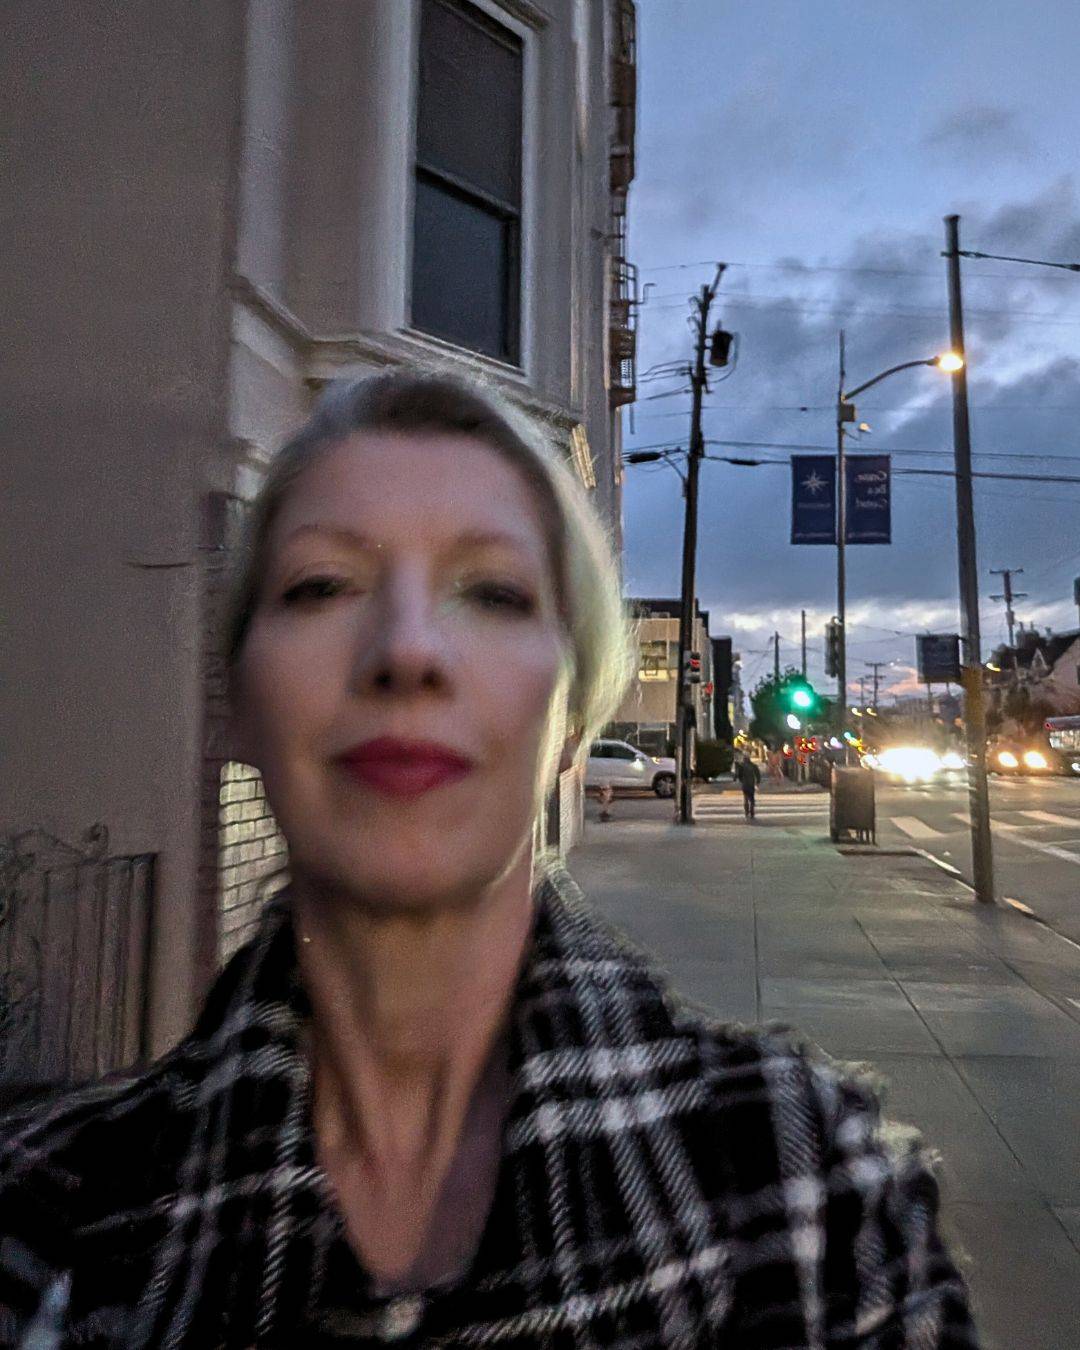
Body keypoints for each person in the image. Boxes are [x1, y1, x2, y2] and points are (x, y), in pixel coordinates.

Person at [0, 370, 977, 1347]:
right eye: (322, 585)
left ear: (570, 719)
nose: (407, 648)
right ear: (240, 702)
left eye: (495, 592)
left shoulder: (816, 1198)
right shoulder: (39, 1219)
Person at [733, 752, 761, 819]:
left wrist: (740, 780)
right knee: (752, 798)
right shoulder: (753, 766)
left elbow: (738, 774)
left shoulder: (741, 766)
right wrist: (758, 782)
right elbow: (758, 775)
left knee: (745, 798)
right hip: (751, 784)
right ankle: (752, 811)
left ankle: (746, 811)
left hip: (744, 784)